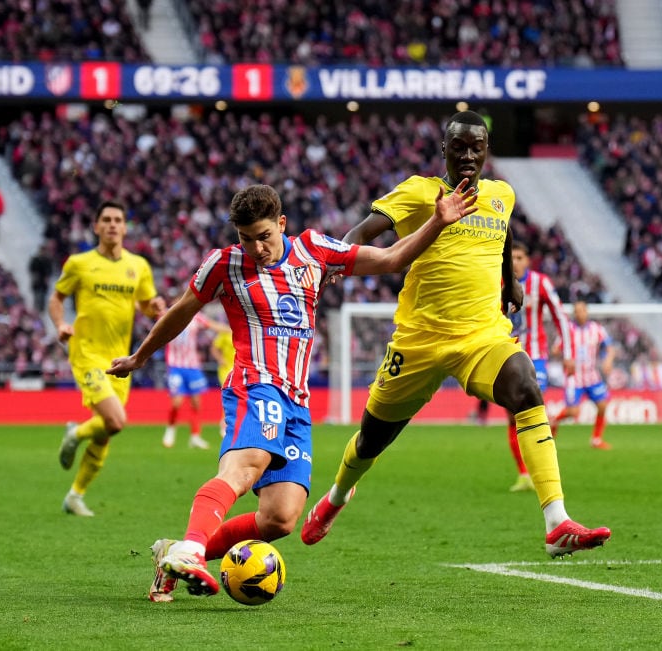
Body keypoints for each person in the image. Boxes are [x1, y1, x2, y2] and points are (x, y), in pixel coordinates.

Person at [107, 181, 479, 600]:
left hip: (297, 403)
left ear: (282, 224)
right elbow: (180, 312)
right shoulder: (224, 264)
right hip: (255, 385)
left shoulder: (314, 250)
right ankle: (192, 550)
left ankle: (175, 553)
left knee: (280, 518)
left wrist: (437, 221)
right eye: (246, 239)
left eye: (264, 236)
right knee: (244, 469)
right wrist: (140, 357)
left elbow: (392, 258)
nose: (256, 248)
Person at [300, 110, 611, 558]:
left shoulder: (501, 194)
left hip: (481, 336)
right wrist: (336, 262)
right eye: (459, 147)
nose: (467, 155)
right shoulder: (418, 192)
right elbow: (363, 230)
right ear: (444, 149)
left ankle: (556, 521)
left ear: (486, 152)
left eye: (476, 148)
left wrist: (511, 281)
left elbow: (503, 235)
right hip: (419, 341)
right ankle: (336, 497)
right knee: (371, 440)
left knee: (526, 387)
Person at [50, 200, 165, 517]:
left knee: (106, 432)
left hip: (120, 358)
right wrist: (60, 324)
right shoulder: (80, 263)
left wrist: (154, 307)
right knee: (115, 420)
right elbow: (56, 298)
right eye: (107, 220)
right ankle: (75, 433)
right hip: (87, 352)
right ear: (96, 226)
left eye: (118, 220)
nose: (113, 225)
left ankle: (75, 496)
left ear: (125, 228)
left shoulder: (138, 266)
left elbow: (146, 304)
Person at [504, 241, 575, 492]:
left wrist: (568, 353)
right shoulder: (497, 281)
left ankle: (543, 473)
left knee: (533, 407)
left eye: (520, 257)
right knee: (512, 417)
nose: (515, 262)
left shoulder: (540, 282)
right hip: (506, 354)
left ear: (528, 260)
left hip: (535, 357)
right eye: (511, 257)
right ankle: (524, 474)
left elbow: (561, 316)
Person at [161, 291, 228, 450]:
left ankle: (195, 436)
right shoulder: (168, 316)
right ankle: (170, 430)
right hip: (176, 366)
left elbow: (213, 325)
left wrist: (231, 329)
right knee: (177, 402)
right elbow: (155, 314)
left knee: (196, 403)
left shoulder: (195, 318)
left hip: (193, 366)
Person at [550, 300, 616, 450]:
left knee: (603, 405)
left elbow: (610, 348)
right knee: (573, 412)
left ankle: (596, 439)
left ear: (587, 312)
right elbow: (555, 349)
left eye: (583, 310)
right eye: (577, 311)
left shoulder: (596, 329)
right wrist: (564, 358)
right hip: (574, 377)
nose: (580, 314)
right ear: (574, 313)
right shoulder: (568, 330)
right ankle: (554, 420)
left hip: (592, 375)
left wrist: (608, 361)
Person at [209, 320, 236, 438]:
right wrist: (220, 359)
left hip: (239, 367)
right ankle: (224, 423)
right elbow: (214, 348)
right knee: (229, 393)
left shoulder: (243, 332)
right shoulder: (225, 333)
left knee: (236, 396)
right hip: (226, 369)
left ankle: (231, 422)